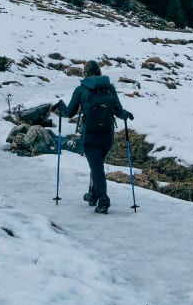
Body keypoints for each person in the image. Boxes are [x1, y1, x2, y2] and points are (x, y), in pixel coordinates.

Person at [53, 60, 133, 214]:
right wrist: (126, 115)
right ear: (99, 72)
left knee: (97, 168)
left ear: (85, 73)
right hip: (107, 136)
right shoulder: (109, 88)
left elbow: (69, 113)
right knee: (97, 165)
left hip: (90, 136)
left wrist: (60, 106)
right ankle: (93, 194)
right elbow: (118, 111)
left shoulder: (81, 90)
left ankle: (103, 201)